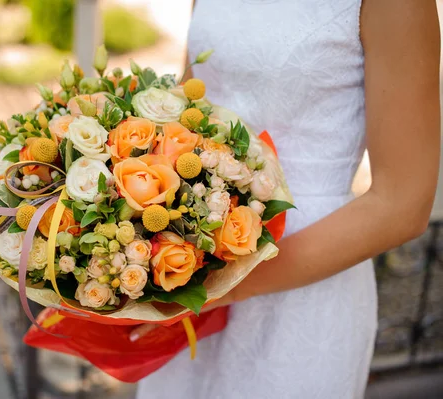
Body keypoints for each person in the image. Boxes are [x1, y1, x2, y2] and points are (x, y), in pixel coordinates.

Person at [133, 0, 441, 397]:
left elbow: (402, 206)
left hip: (305, 277)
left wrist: (223, 286)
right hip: (193, 253)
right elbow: (188, 112)